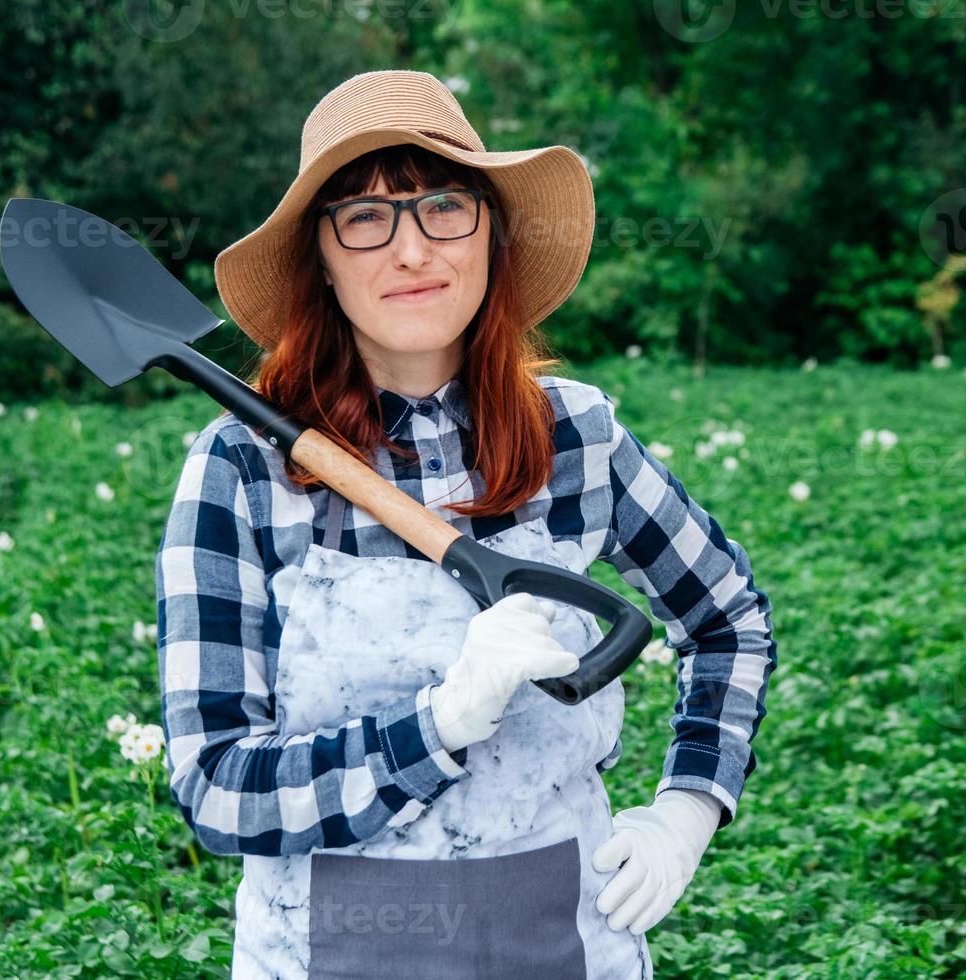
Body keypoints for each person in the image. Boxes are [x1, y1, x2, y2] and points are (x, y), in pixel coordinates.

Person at [155, 69, 776, 980]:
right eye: (364, 217)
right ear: (321, 261)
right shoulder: (240, 469)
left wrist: (689, 806)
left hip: (569, 951)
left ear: (491, 233)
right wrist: (436, 726)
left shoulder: (576, 437)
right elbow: (216, 789)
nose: (411, 251)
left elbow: (728, 617)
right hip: (325, 960)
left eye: (444, 206)